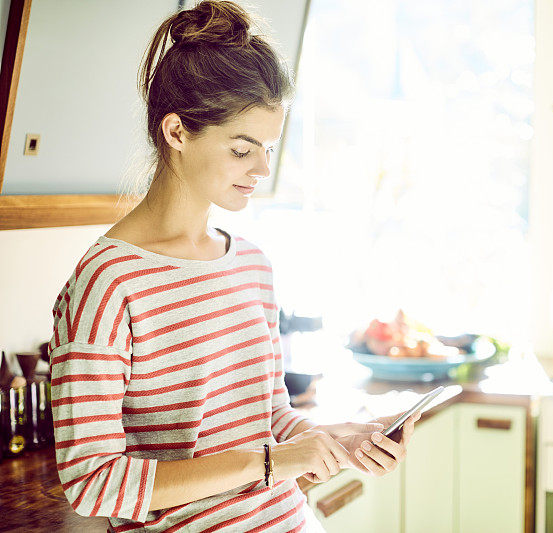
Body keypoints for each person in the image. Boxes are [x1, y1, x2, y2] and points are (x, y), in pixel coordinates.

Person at [47, 1, 420, 531]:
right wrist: (273, 463)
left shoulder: (251, 265)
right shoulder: (108, 283)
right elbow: (93, 482)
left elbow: (270, 419)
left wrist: (337, 438)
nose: (263, 168)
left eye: (267, 148)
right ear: (177, 133)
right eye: (243, 149)